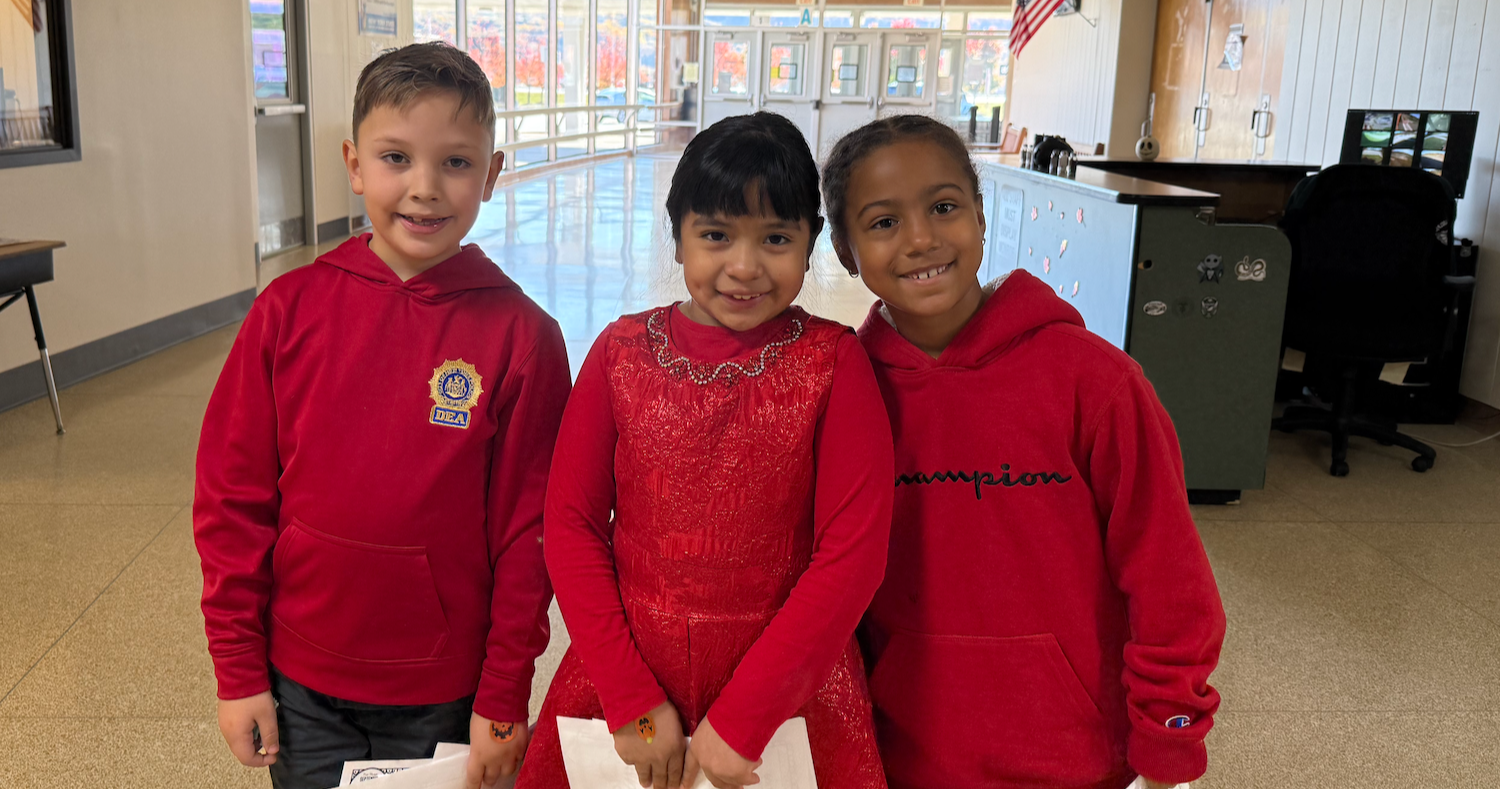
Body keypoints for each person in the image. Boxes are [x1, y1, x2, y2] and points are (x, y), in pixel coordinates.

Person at [194, 42, 571, 789]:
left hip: (447, 690)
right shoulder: (287, 313)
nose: (424, 188)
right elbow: (232, 502)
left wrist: (502, 696)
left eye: (456, 163)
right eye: (396, 157)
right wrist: (238, 670)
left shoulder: (521, 337)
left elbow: (531, 535)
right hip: (299, 679)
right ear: (354, 163)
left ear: (492, 174)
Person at [821, 114, 1226, 789]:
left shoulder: (1096, 383)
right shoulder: (841, 396)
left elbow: (1169, 580)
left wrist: (1169, 740)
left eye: (943, 207)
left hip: (1078, 759)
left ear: (982, 216)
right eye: (883, 222)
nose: (921, 239)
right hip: (899, 756)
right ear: (844, 249)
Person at [517, 112, 892, 789]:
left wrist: (744, 720)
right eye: (716, 235)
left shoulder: (835, 365)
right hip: (630, 673)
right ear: (679, 237)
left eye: (775, 238)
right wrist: (633, 704)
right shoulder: (619, 354)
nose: (743, 266)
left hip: (789, 689)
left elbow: (852, 556)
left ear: (810, 245)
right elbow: (570, 525)